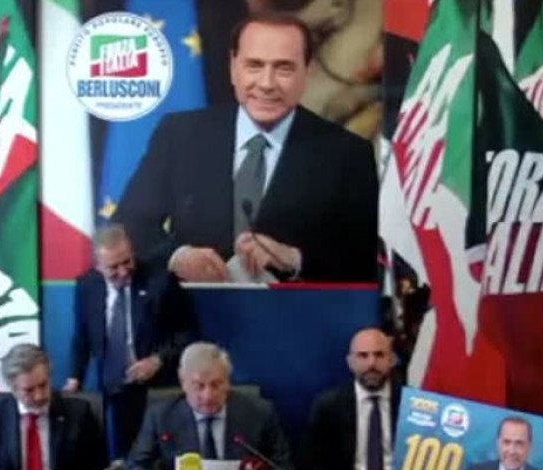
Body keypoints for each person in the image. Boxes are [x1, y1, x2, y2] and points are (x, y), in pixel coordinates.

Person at [115, 13, 379, 284]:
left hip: (296, 309)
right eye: (254, 66)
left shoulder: (348, 154)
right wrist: (177, 257)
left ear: (306, 72)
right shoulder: (180, 134)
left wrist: (295, 259)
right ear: (233, 68)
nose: (266, 84)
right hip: (191, 308)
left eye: (284, 68)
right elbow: (128, 224)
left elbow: (363, 258)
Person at [65, 224, 193, 459]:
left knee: (149, 455)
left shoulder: (160, 281)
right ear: (98, 266)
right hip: (109, 386)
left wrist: (157, 360)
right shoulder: (87, 286)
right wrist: (74, 378)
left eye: (127, 261)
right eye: (113, 267)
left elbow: (186, 333)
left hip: (154, 387)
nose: (123, 271)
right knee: (110, 456)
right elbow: (82, 336)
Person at [127, 342, 292, 470]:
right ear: (183, 383)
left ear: (228, 383)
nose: (208, 396)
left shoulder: (258, 412)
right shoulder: (160, 416)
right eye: (199, 386)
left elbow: (285, 468)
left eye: (216, 385)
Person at [0, 344, 107, 470]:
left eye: (43, 385)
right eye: (29, 390)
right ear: (13, 388)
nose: (39, 396)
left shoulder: (79, 414)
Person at [308, 327, 401, 470]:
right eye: (363, 356)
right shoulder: (329, 406)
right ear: (350, 362)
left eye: (379, 355)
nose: (371, 363)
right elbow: (313, 466)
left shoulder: (411, 405)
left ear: (392, 360)